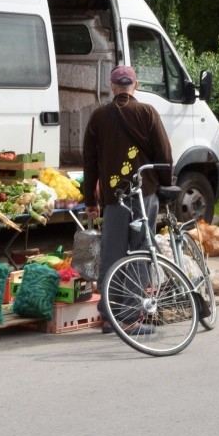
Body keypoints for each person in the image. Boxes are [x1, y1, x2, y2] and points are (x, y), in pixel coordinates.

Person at [82, 65, 173, 334]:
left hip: (113, 198)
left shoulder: (98, 116)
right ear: (135, 86)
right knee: (141, 252)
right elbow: (164, 155)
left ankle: (110, 317)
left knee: (112, 253)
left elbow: (89, 161)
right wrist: (167, 187)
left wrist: (90, 199)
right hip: (144, 194)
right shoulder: (147, 112)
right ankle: (131, 319)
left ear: (112, 87)